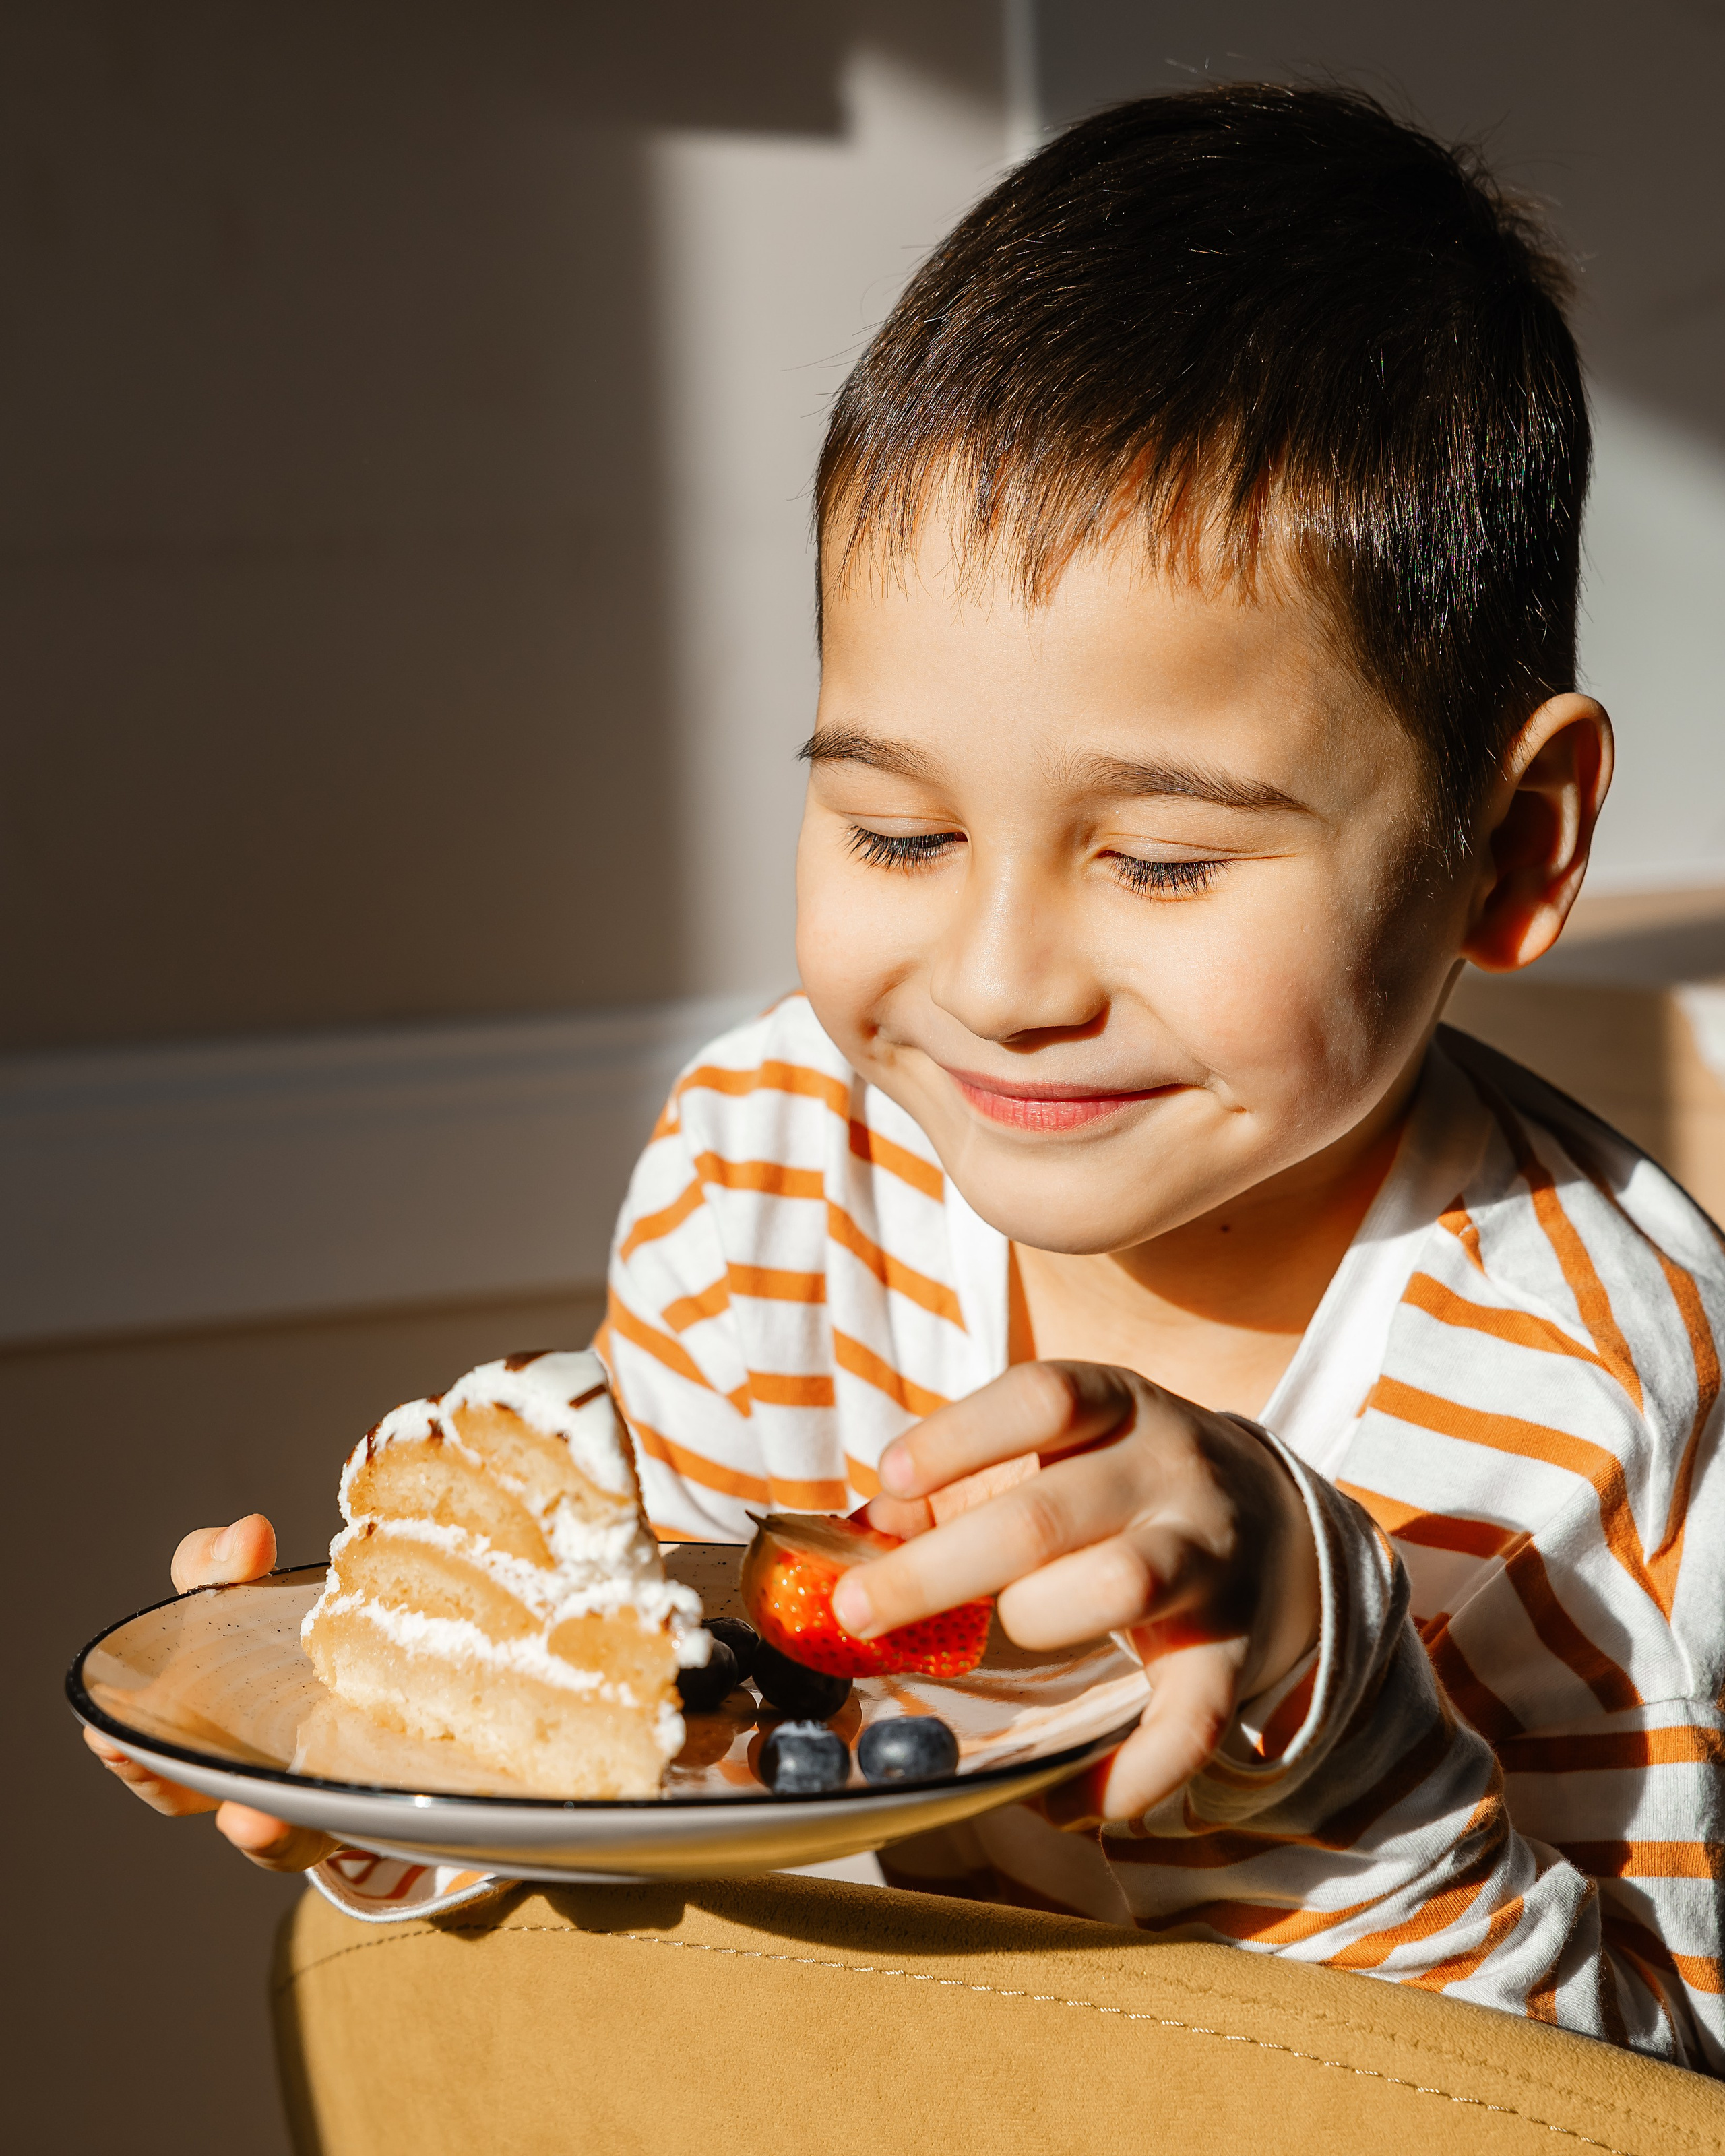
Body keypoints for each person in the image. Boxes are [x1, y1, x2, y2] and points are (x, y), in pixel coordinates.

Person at [90, 86, 1724, 2067]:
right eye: (895, 834)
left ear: (1515, 843)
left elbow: (1645, 2096)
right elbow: (705, 1838)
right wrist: (419, 1778)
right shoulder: (768, 1185)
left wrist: (1334, 1704)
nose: (1001, 979)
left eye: (1165, 859)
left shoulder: (1610, 1402)